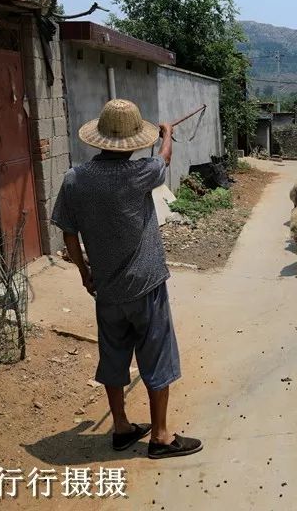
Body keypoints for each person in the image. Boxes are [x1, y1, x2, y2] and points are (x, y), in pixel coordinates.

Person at [51, 98, 202, 459]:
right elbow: (163, 158)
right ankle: (161, 436)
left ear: (99, 137)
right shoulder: (141, 172)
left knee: (115, 356)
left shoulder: (75, 179)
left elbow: (68, 233)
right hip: (147, 286)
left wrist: (85, 273)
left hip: (107, 290)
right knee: (157, 356)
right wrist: (167, 134)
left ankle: (120, 426)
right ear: (134, 139)